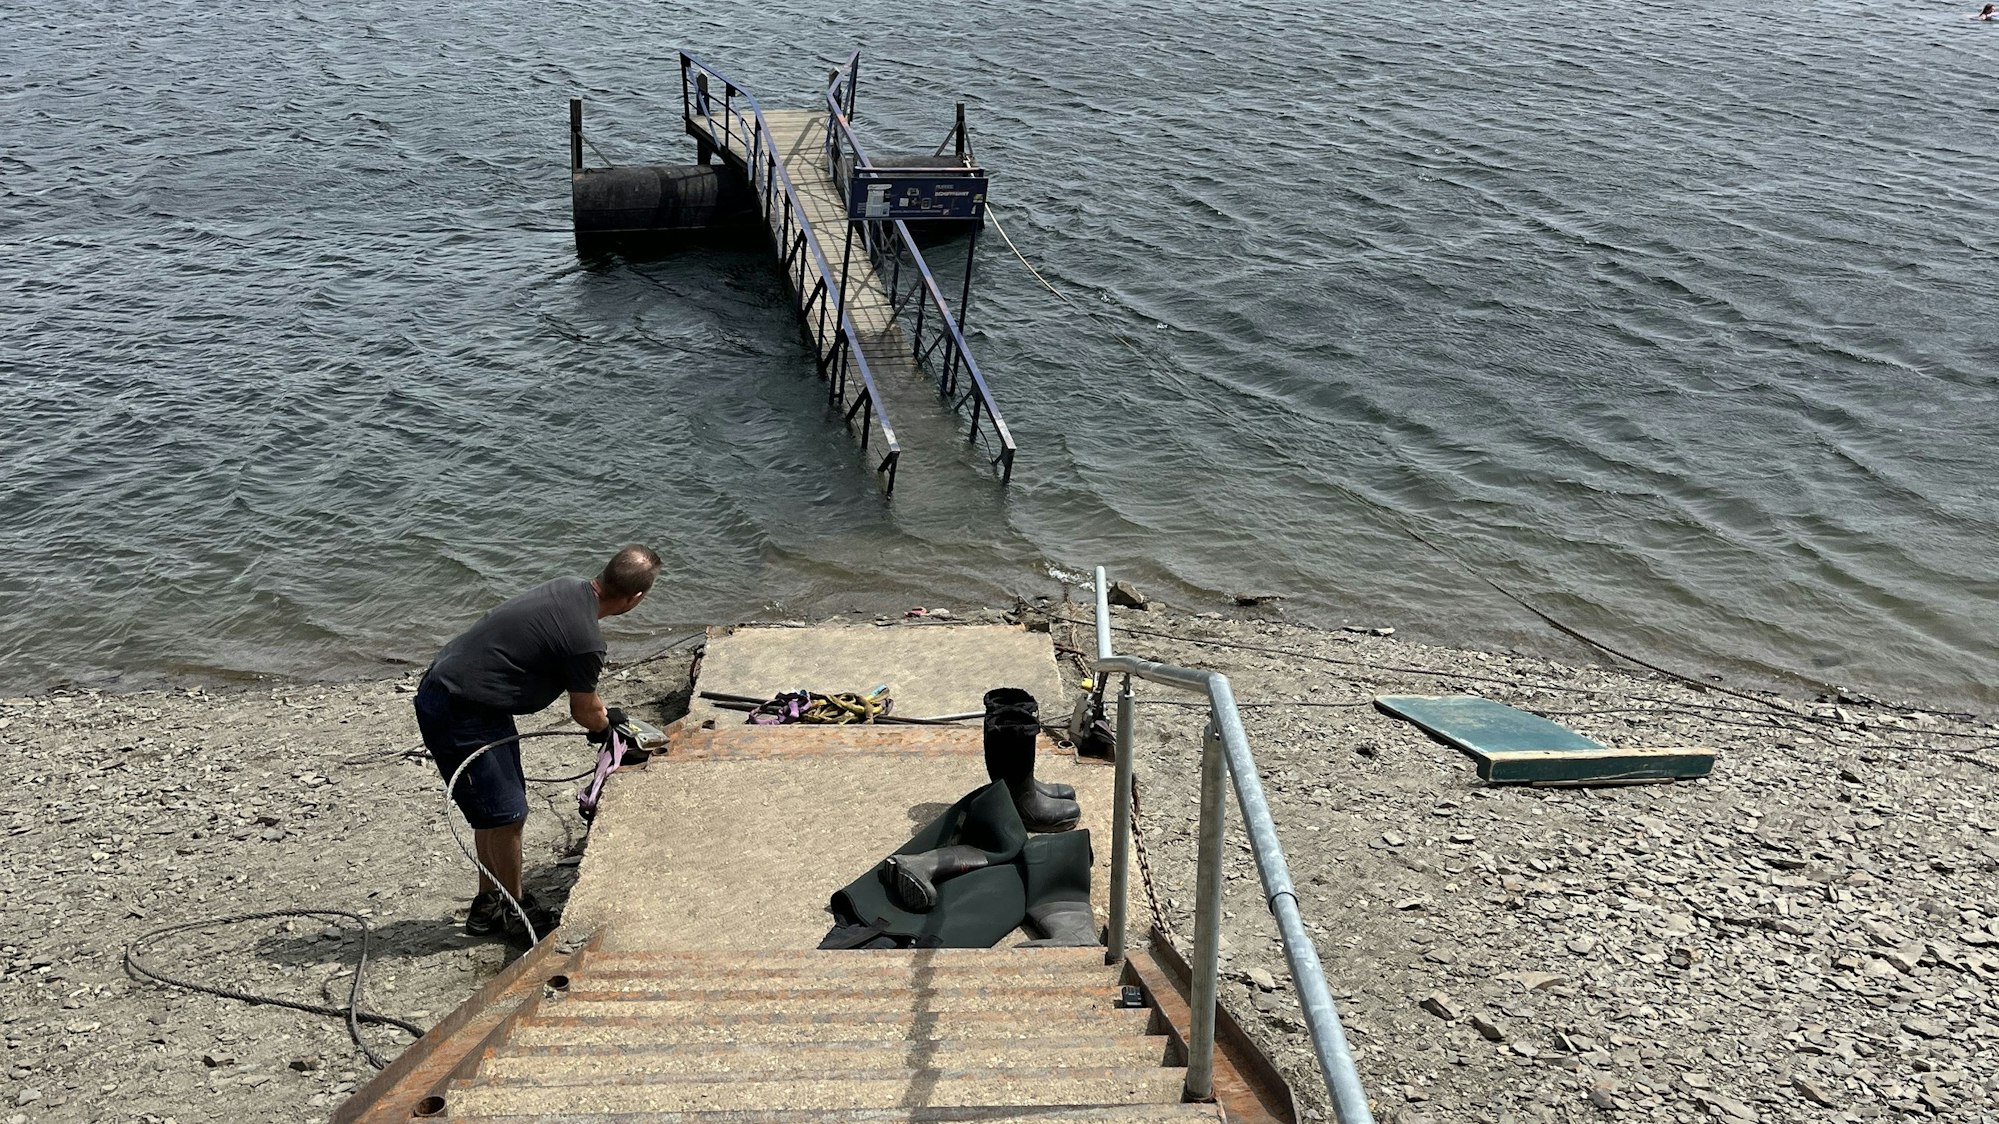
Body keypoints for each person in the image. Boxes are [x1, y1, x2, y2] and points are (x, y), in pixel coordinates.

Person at [413, 544, 660, 940]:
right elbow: (584, 709)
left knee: (493, 811)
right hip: (458, 706)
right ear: (635, 599)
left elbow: (585, 697)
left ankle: (488, 903)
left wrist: (605, 718)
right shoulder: (587, 641)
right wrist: (605, 731)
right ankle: (515, 910)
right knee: (508, 815)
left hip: (467, 692)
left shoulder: (567, 587)